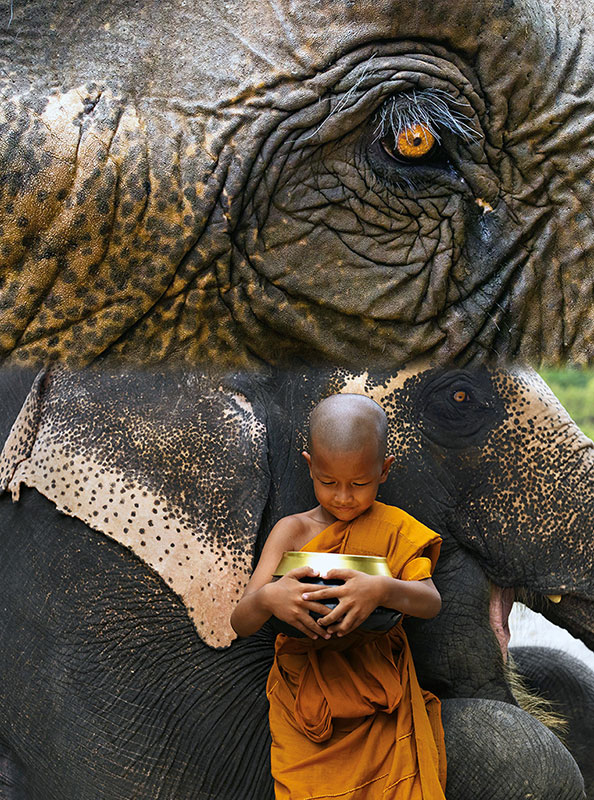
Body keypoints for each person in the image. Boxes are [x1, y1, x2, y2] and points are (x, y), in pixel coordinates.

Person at [230, 393, 446, 799]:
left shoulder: (395, 529)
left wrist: (382, 588)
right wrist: (268, 599)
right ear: (310, 466)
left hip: (379, 696)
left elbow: (430, 602)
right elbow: (241, 622)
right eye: (328, 482)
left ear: (384, 471)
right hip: (305, 701)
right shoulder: (291, 532)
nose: (343, 497)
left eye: (359, 483)